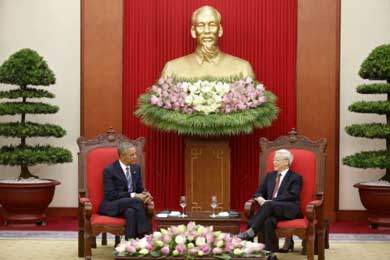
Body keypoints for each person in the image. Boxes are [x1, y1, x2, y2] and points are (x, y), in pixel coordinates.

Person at [161, 5, 255, 79]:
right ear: (193, 31)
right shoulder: (172, 69)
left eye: (212, 25)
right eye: (201, 25)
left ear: (220, 30)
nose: (207, 31)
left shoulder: (242, 68)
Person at [238, 149, 302, 258]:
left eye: (277, 160)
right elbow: (258, 192)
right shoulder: (270, 176)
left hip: (288, 209)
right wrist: (259, 199)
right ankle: (271, 254)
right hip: (270, 211)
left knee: (268, 205)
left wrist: (271, 202)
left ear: (286, 162)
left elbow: (292, 195)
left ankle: (251, 230)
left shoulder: (295, 177)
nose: (274, 162)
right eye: (274, 160)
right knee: (268, 221)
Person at [99, 142, 153, 239]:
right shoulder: (109, 171)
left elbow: (140, 189)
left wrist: (146, 194)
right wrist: (134, 195)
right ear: (122, 156)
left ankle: (129, 244)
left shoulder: (136, 168)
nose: (135, 157)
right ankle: (145, 235)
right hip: (112, 205)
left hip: (130, 205)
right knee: (136, 201)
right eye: (132, 155)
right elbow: (111, 195)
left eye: (135, 153)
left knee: (130, 212)